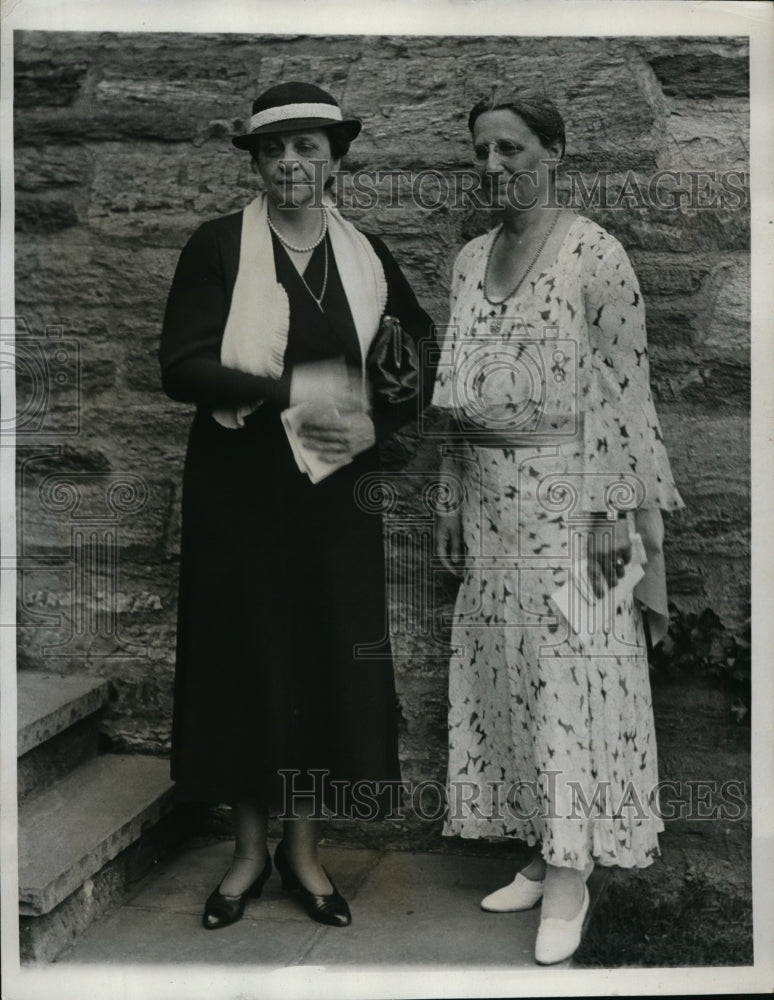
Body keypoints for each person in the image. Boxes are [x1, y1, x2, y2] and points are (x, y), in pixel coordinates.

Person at [160, 81, 435, 931]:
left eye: (308, 148)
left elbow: (414, 348)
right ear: (255, 161)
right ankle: (246, 851)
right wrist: (302, 392)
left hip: (331, 493)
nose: (290, 163)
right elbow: (182, 366)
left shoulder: (368, 255)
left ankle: (302, 851)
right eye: (274, 150)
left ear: (335, 159)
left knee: (321, 662)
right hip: (238, 490)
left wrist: (400, 376)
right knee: (245, 661)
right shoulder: (217, 247)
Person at [433, 90, 684, 965]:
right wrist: (451, 500)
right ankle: (545, 847)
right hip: (491, 504)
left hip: (577, 503)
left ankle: (574, 876)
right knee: (511, 677)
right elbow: (456, 397)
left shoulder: (594, 254)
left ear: (555, 152)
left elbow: (624, 396)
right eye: (481, 152)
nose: (495, 166)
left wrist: (617, 515)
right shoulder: (469, 260)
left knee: (572, 678)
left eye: (512, 149)